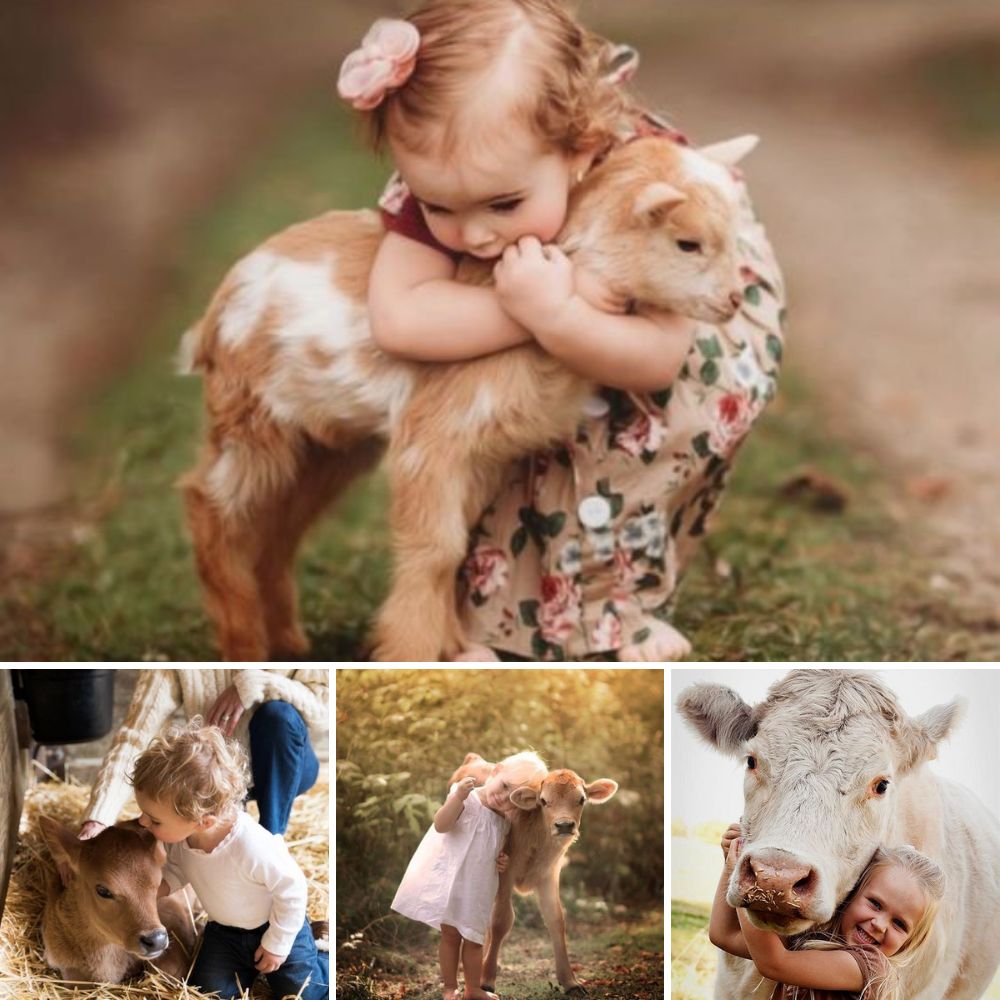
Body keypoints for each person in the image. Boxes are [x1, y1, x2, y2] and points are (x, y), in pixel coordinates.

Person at [338, 0, 785, 661]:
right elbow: (400, 317)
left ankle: (617, 605)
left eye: (503, 205)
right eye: (439, 206)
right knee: (493, 407)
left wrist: (562, 316)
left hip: (683, 339)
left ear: (577, 152)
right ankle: (486, 611)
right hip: (545, 325)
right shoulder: (455, 180)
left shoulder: (644, 193)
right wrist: (526, 309)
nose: (474, 233)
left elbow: (658, 359)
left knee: (623, 430)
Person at [130, 719, 328, 999]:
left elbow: (293, 889)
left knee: (304, 993)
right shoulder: (181, 840)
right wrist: (153, 891)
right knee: (206, 992)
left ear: (203, 821)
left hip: (275, 924)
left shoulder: (250, 846)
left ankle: (322, 951)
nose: (142, 821)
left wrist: (277, 944)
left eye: (154, 819)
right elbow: (178, 870)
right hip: (224, 933)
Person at [78, 669, 327, 838]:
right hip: (216, 774)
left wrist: (256, 683)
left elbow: (323, 712)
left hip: (284, 763)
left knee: (278, 716)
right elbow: (135, 736)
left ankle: (273, 839)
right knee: (212, 839)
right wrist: (99, 817)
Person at [710, 823, 945, 1000]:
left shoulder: (871, 968)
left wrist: (750, 878)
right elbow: (723, 935)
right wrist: (733, 867)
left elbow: (773, 962)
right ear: (852, 894)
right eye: (875, 904)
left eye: (900, 924)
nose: (880, 925)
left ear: (910, 940)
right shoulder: (815, 942)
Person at [390, 751, 548, 1000]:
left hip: (478, 887)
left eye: (513, 798)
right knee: (450, 936)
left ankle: (473, 989)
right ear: (496, 772)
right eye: (504, 786)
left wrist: (503, 859)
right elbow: (441, 824)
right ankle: (449, 988)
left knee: (474, 938)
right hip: (451, 881)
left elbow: (499, 848)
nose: (503, 797)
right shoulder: (465, 797)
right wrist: (457, 798)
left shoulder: (504, 821)